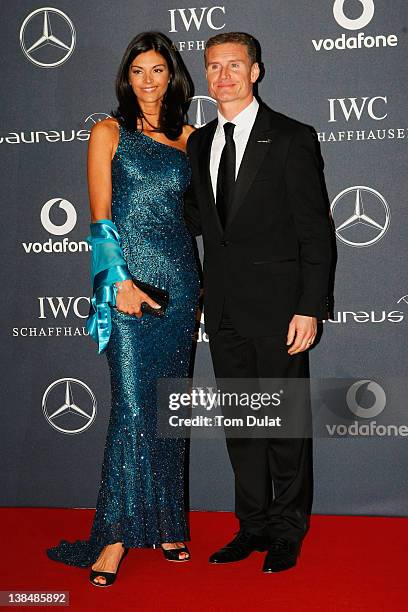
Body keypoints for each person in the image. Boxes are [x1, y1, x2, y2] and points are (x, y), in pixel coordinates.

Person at [47, 31, 200, 587]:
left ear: (173, 76)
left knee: (167, 408)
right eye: (138, 70)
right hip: (128, 285)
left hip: (181, 283)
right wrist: (120, 283)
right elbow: (100, 217)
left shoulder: (190, 138)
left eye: (158, 69)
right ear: (126, 77)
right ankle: (112, 536)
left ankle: (166, 523)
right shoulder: (107, 132)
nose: (148, 80)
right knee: (134, 407)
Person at [184, 32, 333, 573]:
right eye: (213, 66)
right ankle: (252, 526)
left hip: (280, 311)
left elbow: (316, 233)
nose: (222, 75)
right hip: (223, 311)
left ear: (256, 71)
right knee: (243, 428)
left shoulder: (291, 138)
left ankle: (288, 531)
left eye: (234, 65)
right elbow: (202, 223)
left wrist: (310, 306)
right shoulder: (199, 143)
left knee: (286, 428)